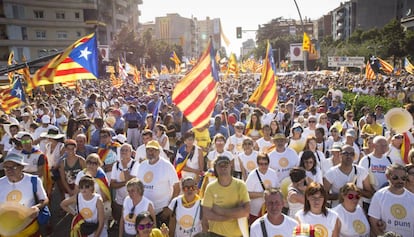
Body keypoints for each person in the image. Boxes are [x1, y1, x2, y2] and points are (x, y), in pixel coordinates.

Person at [0, 153, 49, 237]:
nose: (9, 170)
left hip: (28, 227)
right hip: (5, 228)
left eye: (13, 167)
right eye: (6, 167)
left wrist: (37, 207)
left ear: (21, 167)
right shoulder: (0, 182)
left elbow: (44, 200)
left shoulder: (33, 180)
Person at [134, 140, 180, 228]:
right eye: (148, 150)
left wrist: (169, 208)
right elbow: (138, 185)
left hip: (162, 211)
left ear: (159, 151)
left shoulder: (167, 166)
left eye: (153, 150)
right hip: (145, 210)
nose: (150, 152)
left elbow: (177, 188)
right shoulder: (142, 165)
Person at [201, 155, 250, 237]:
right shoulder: (210, 187)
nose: (223, 168)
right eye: (220, 166)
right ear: (215, 168)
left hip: (237, 234)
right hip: (216, 234)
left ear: (230, 167)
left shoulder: (240, 185)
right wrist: (231, 216)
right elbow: (207, 214)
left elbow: (245, 212)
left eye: (226, 165)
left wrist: (220, 211)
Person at [369, 164, 414, 236]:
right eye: (395, 178)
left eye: (403, 178)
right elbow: (374, 222)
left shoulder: (412, 198)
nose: (400, 181)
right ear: (387, 177)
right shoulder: (379, 196)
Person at [359, 135, 392, 213]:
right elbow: (361, 179)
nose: (384, 147)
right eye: (381, 145)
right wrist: (373, 192)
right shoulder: (366, 160)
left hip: (384, 199)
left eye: (385, 145)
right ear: (374, 145)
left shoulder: (389, 159)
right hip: (369, 200)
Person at [110, 143, 140, 228]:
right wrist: (126, 182)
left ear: (131, 152)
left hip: (133, 200)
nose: (124, 152)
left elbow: (132, 183)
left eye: (126, 150)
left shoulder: (135, 164)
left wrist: (124, 167)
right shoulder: (115, 165)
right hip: (119, 200)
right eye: (122, 150)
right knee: (121, 223)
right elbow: (112, 184)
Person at [245, 153, 279, 224]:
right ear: (257, 164)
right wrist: (263, 194)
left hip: (270, 211)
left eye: (265, 164)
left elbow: (278, 189)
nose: (263, 166)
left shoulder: (273, 173)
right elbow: (246, 194)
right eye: (261, 164)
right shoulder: (252, 175)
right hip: (255, 212)